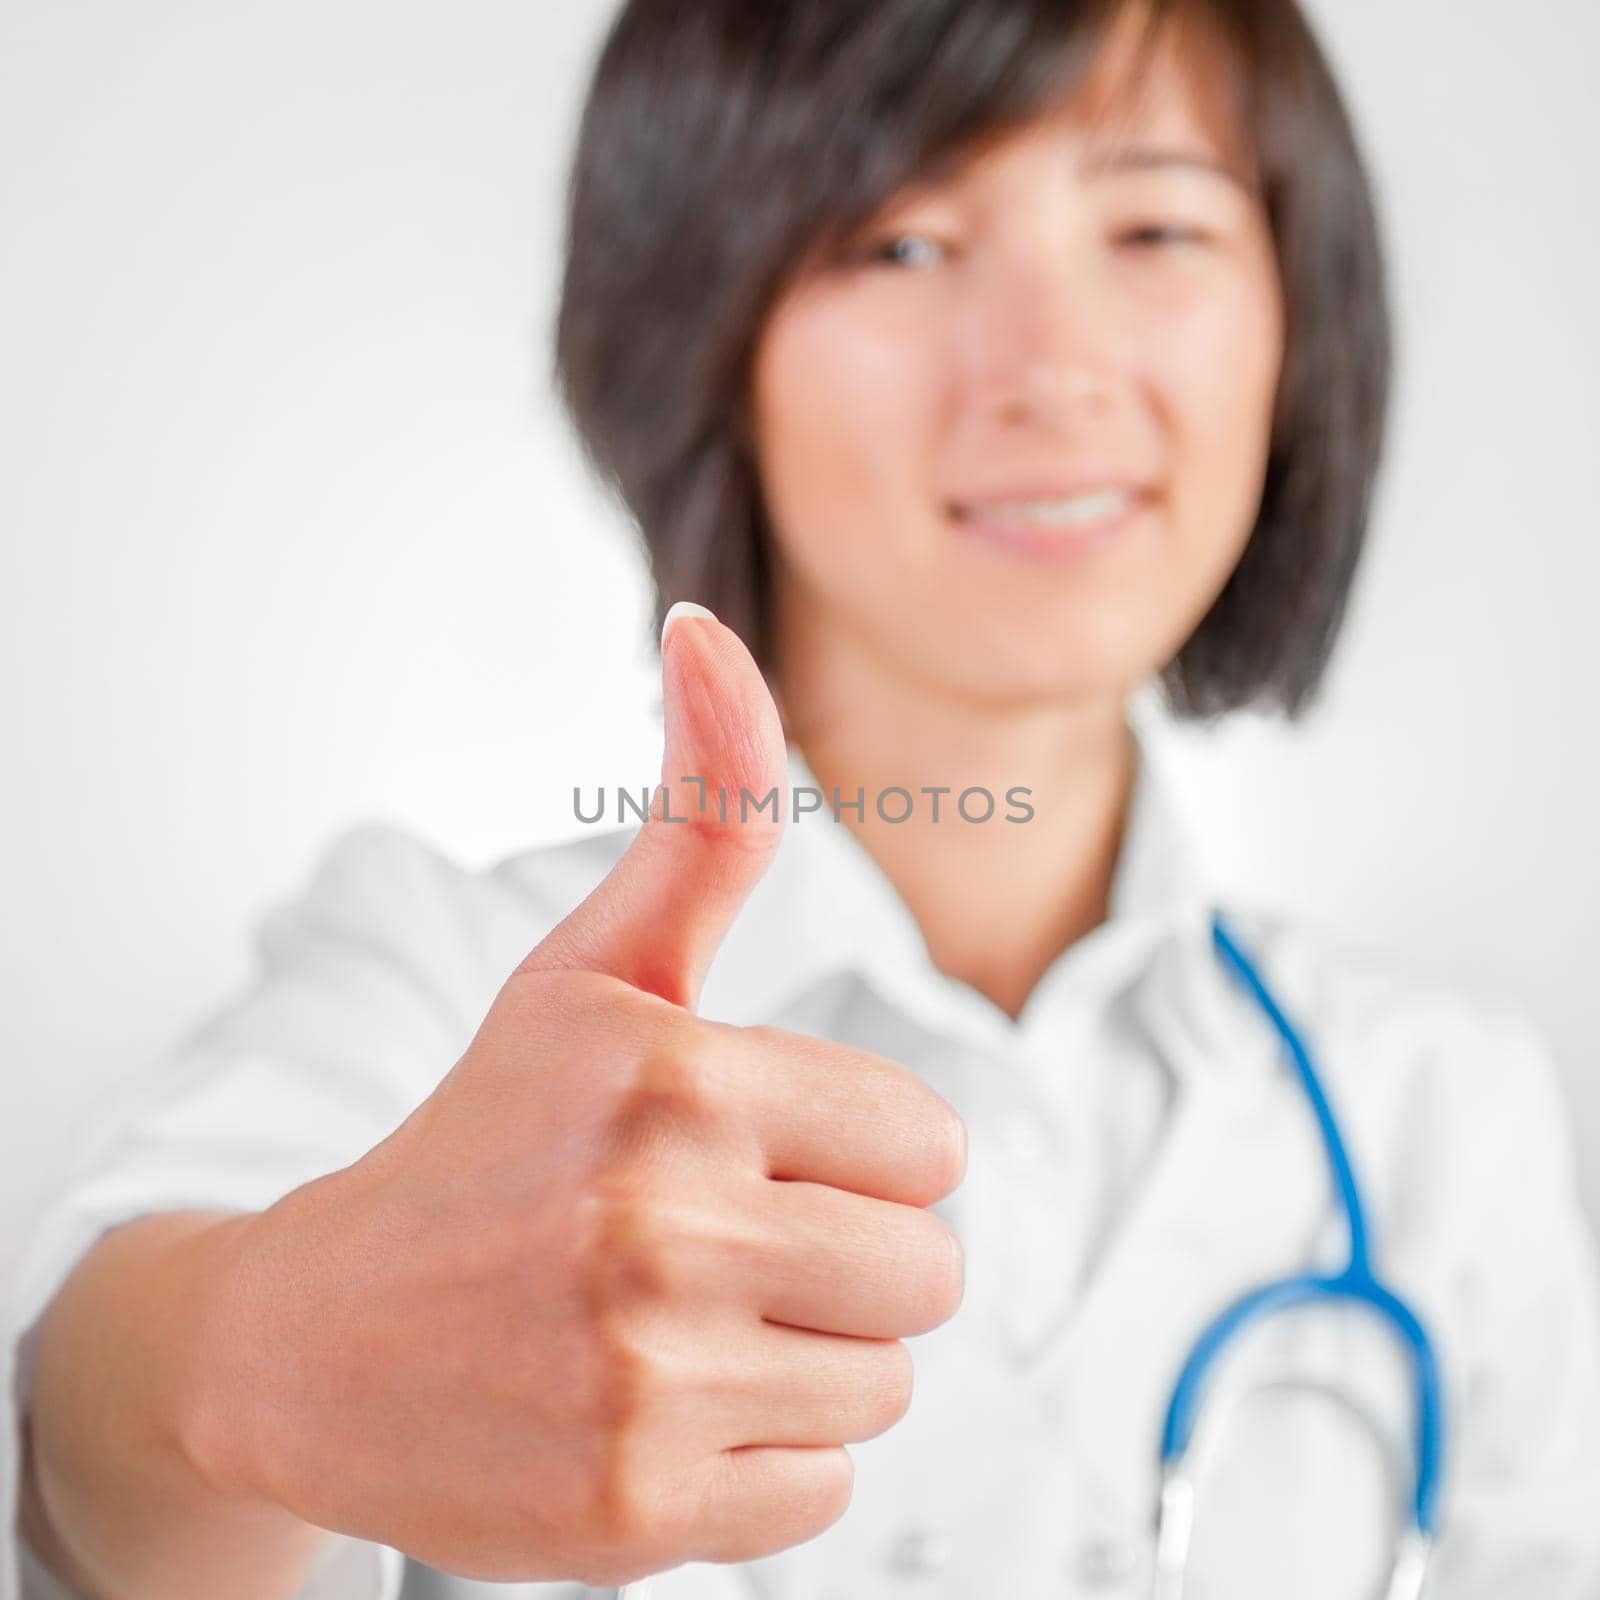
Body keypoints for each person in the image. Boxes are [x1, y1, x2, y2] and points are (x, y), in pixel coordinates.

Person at [7, 0, 1600, 1595]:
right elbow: (81, 1451)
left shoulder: (1441, 1114)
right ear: (703, 331)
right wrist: (269, 1371)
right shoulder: (450, 983)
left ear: (1299, 322)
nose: (1052, 368)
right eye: (903, 244)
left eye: (1156, 225)